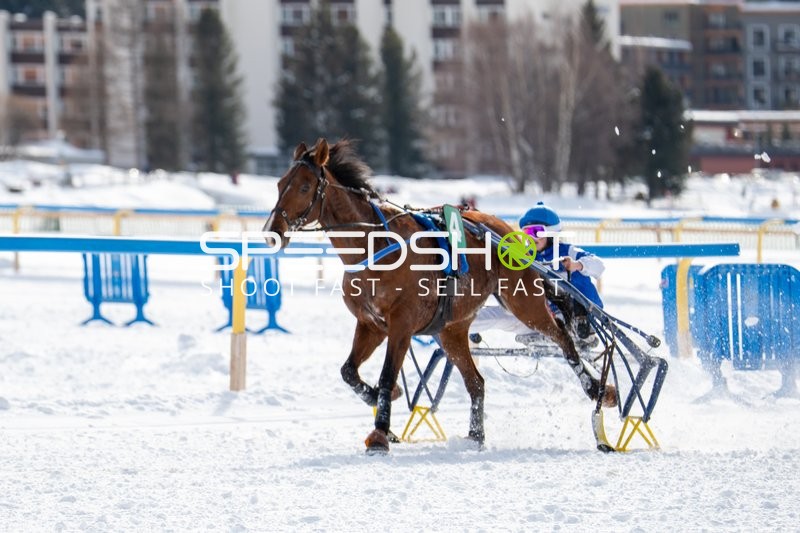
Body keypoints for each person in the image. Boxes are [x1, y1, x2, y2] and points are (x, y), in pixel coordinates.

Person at [471, 201, 605, 348]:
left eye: (536, 232)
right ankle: (453, 326)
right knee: (499, 314)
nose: (531, 237)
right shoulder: (525, 256)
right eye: (526, 232)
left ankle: (581, 333)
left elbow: (599, 265)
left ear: (551, 233)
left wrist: (577, 265)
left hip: (572, 317)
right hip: (535, 316)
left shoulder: (568, 252)